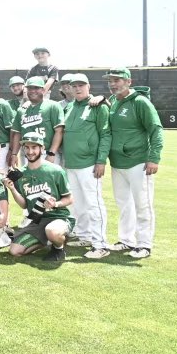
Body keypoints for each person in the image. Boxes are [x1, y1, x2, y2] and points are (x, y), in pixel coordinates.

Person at [104, 67, 164, 259]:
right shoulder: (113, 101)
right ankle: (126, 240)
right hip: (117, 162)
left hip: (139, 162)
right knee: (124, 204)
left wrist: (154, 158)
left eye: (117, 80)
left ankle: (144, 244)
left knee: (143, 204)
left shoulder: (141, 102)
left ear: (128, 81)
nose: (113, 84)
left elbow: (156, 130)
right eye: (110, 81)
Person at [62, 74, 111, 259]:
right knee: (78, 204)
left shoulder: (98, 106)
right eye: (74, 86)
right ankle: (85, 236)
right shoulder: (70, 107)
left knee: (94, 204)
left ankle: (101, 245)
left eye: (81, 85)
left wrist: (101, 161)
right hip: (71, 164)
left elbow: (105, 134)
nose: (77, 88)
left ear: (88, 86)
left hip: (89, 164)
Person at [5, 132, 74, 262]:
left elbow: (69, 199)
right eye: (27, 147)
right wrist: (12, 189)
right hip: (37, 220)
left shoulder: (55, 170)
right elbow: (24, 205)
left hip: (59, 217)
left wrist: (55, 204)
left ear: (42, 148)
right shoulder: (21, 174)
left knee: (52, 231)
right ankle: (47, 240)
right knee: (15, 251)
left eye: (34, 147)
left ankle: (59, 248)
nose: (30, 151)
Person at [9, 77, 65, 167]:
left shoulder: (52, 106)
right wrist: (14, 154)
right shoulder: (21, 110)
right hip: (27, 154)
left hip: (47, 152)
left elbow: (59, 131)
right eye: (30, 88)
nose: (32, 91)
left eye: (36, 88)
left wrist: (51, 153)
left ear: (43, 90)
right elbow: (17, 134)